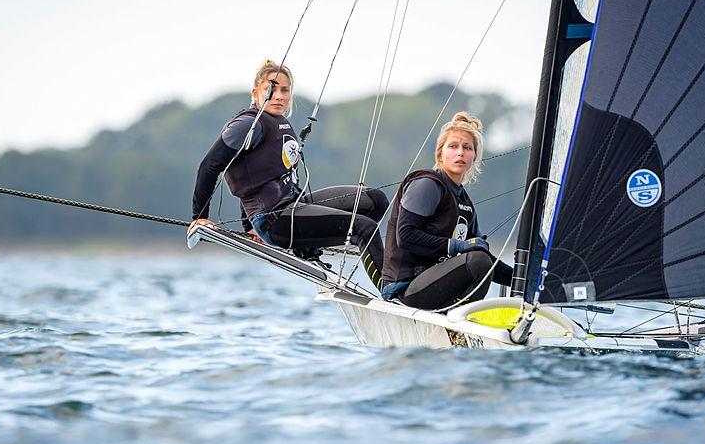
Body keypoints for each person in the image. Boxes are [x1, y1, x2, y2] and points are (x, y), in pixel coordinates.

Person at [189, 59, 388, 289]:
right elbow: (209, 166)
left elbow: (257, 171)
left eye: (285, 90)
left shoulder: (278, 122)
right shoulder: (246, 125)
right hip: (275, 219)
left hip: (293, 205)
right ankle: (393, 293)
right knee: (364, 228)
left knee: (374, 200)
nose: (279, 95)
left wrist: (248, 227)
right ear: (256, 92)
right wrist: (199, 216)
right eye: (271, 89)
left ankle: (307, 248)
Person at [380, 112, 513, 309]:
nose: (460, 153)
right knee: (478, 261)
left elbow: (482, 255)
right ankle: (461, 318)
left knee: (480, 258)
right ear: (440, 153)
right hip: (405, 288)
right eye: (453, 146)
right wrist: (457, 246)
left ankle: (461, 318)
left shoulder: (465, 203)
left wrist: (522, 278)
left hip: (435, 284)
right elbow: (405, 235)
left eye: (467, 148)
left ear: (474, 156)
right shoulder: (427, 184)